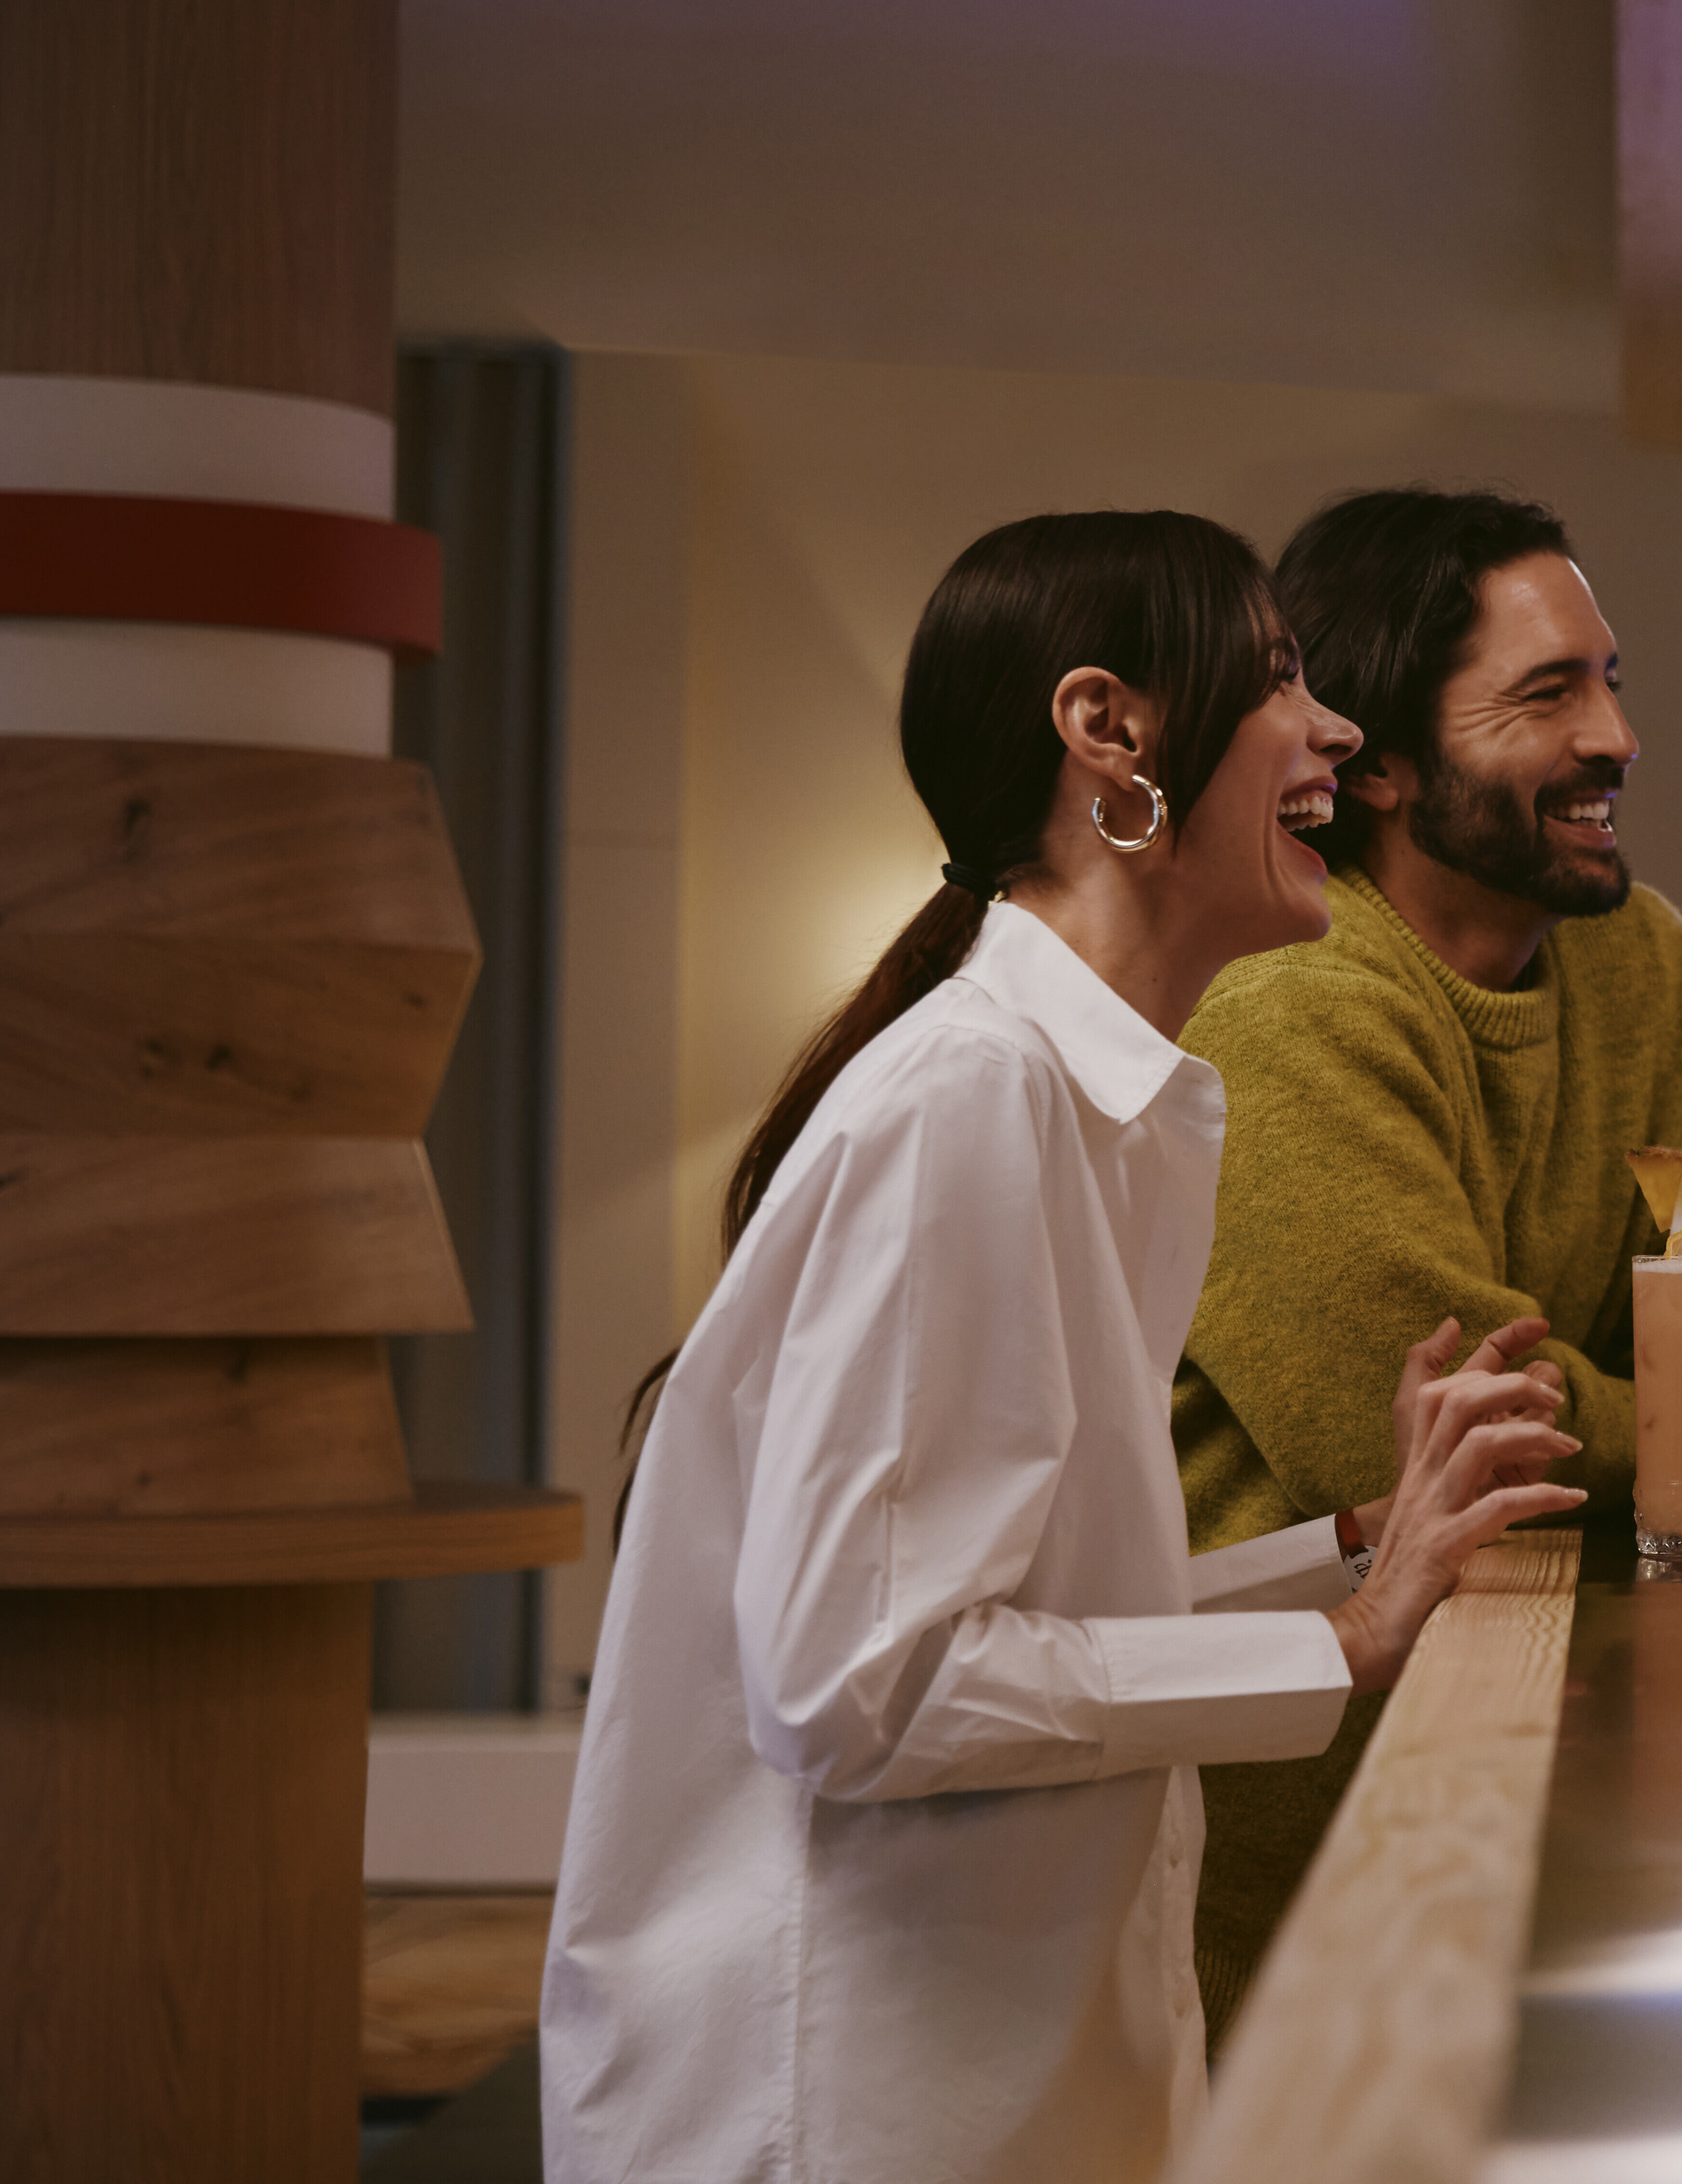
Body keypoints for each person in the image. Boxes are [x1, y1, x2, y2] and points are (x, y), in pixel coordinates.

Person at [543, 511, 1589, 2184]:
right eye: (1277, 681)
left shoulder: (1101, 1104)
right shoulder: (974, 1097)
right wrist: (1346, 1645)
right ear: (1111, 734)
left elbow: (1024, 1618)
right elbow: (859, 1686)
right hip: (853, 2108)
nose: (1334, 734)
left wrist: (1349, 1553)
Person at [1171, 487, 1682, 2027]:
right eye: (1549, 694)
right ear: (1382, 761)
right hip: (1279, 1840)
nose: (1613, 737)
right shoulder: (1293, 997)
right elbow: (1438, 1443)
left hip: (1548, 1773)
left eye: (1609, 681)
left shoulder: (1646, 961)